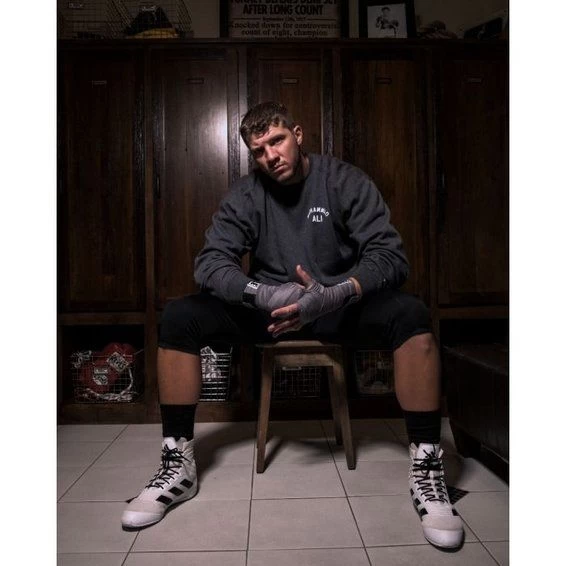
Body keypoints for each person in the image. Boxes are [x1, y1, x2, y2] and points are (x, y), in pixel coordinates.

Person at [121, 102, 464, 549]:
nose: (271, 156)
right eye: (258, 150)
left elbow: (390, 257)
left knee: (412, 315)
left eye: (277, 141)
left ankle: (427, 467)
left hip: (337, 308)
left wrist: (336, 293)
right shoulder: (247, 195)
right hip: (271, 313)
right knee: (180, 316)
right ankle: (177, 465)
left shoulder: (344, 181)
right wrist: (262, 294)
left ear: (298, 135)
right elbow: (211, 263)